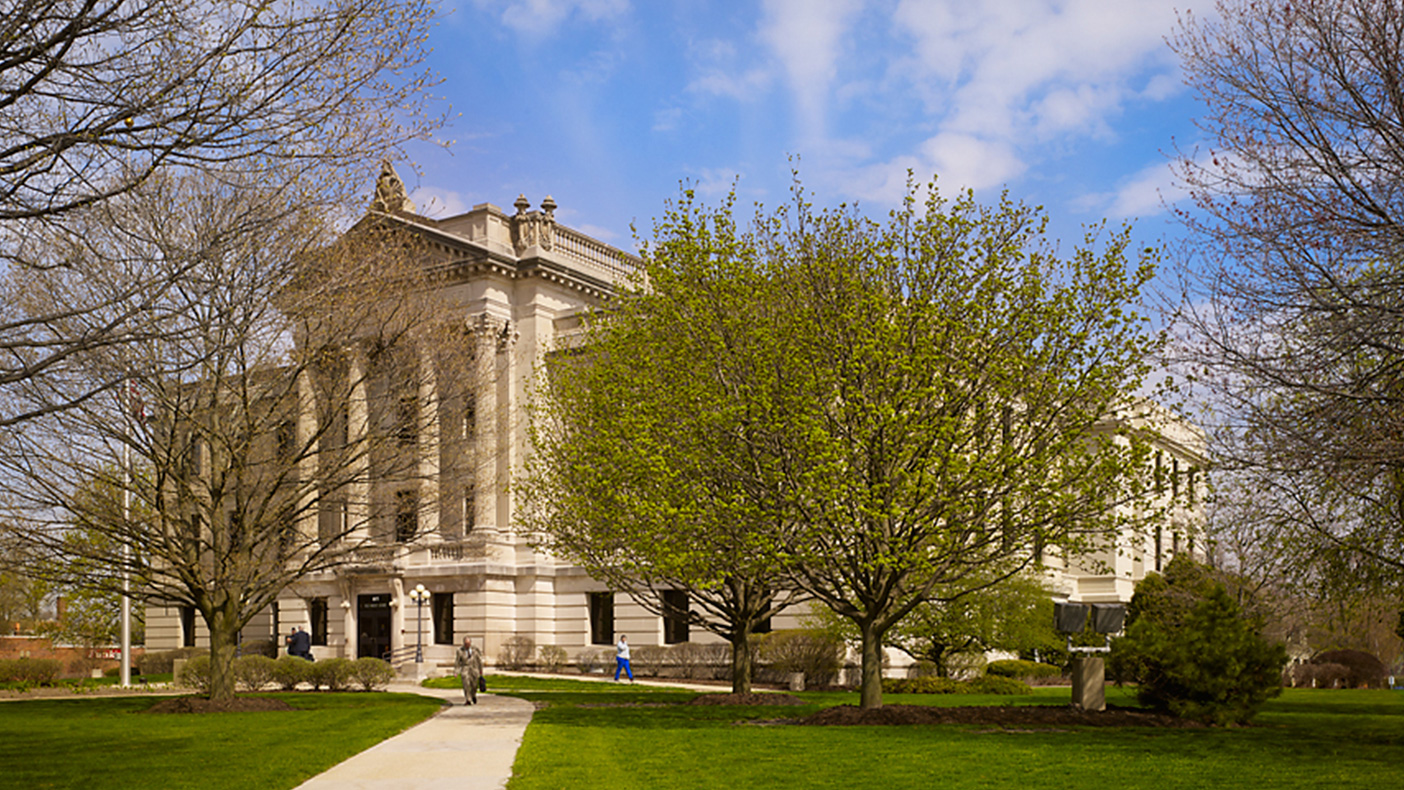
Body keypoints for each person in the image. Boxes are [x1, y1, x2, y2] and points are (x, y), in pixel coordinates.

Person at [455, 635, 483, 705]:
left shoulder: (475, 650)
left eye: (468, 643)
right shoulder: (460, 651)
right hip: (465, 669)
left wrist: (480, 669)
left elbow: (479, 660)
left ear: (470, 643)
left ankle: (473, 695)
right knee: (466, 684)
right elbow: (457, 662)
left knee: (474, 685)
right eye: (466, 644)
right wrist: (456, 671)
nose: (467, 645)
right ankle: (468, 699)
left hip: (474, 668)